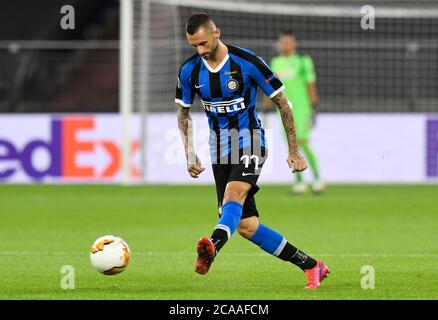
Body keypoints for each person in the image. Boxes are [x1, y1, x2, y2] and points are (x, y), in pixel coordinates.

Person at [175, 13, 329, 289]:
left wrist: (294, 150)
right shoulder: (190, 71)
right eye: (194, 46)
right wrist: (189, 151)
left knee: (233, 194)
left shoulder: (247, 62)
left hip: (251, 141)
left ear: (217, 33)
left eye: (203, 43)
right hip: (219, 150)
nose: (200, 51)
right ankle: (311, 265)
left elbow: (283, 103)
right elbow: (183, 114)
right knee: (246, 225)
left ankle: (212, 246)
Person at [268, 31, 324, 194]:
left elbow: (310, 84)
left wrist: (314, 108)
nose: (285, 44)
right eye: (283, 42)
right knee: (291, 145)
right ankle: (299, 182)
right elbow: (271, 86)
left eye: (288, 42)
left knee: (302, 141)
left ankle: (317, 179)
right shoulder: (275, 62)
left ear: (294, 44)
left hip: (301, 108)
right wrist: (266, 106)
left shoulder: (302, 61)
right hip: (284, 109)